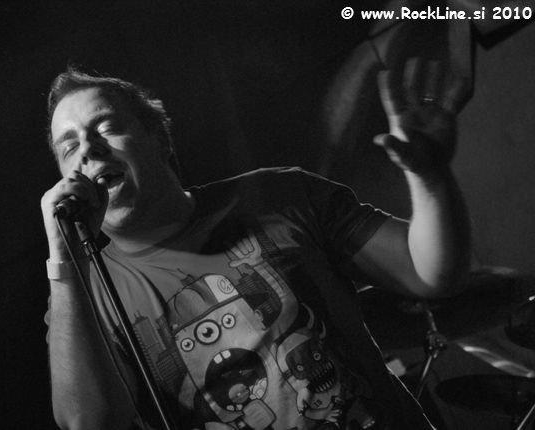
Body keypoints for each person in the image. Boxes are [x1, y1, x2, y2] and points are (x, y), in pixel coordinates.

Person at [41, 61, 470, 430]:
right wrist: (63, 261)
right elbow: (87, 423)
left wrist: (431, 178)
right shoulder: (81, 297)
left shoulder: (280, 196)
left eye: (107, 127)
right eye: (69, 146)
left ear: (160, 138)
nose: (88, 150)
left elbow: (430, 272)